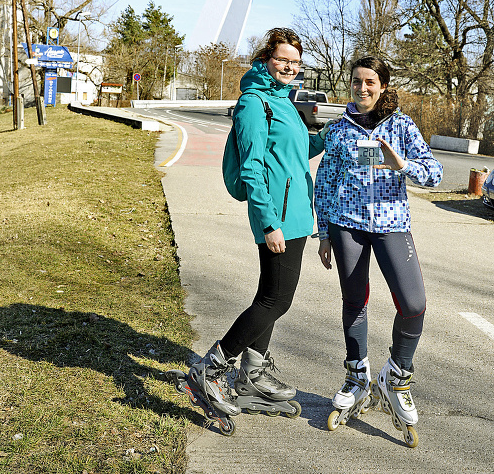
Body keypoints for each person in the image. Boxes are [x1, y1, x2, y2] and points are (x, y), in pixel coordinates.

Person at [188, 27, 325, 420]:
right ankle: (211, 368)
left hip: (298, 215)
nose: (289, 67)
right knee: (276, 300)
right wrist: (268, 222)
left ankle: (253, 372)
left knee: (269, 296)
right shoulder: (254, 103)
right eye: (283, 59)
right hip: (276, 217)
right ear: (267, 59)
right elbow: (252, 168)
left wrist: (328, 138)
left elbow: (297, 153)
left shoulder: (285, 101)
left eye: (295, 62)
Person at [315, 56, 443, 447]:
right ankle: (357, 376)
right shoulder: (338, 130)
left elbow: (435, 174)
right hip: (346, 226)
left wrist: (401, 163)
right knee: (354, 301)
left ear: (383, 85)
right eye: (356, 81)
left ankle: (395, 377)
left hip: (392, 226)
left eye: (370, 81)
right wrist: (323, 232)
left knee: (414, 303)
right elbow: (324, 180)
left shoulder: (402, 126)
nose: (362, 88)